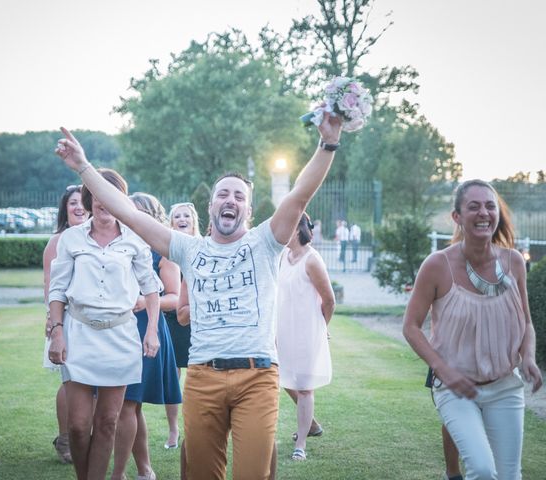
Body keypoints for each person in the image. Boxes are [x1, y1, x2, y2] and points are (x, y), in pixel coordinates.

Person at [55, 110, 342, 479]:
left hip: (257, 376)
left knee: (253, 472)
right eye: (223, 193)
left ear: (249, 211)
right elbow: (127, 212)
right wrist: (84, 168)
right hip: (203, 377)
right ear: (210, 207)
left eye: (239, 196)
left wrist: (328, 143)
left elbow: (300, 194)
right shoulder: (189, 249)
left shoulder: (265, 242)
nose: (230, 200)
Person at [402, 179, 542, 479]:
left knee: (508, 476)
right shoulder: (437, 265)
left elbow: (527, 322)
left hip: (505, 386)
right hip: (456, 389)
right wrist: (444, 370)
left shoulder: (514, 261)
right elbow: (411, 327)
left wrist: (528, 357)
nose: (484, 213)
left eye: (490, 206)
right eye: (474, 206)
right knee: (480, 468)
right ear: (457, 217)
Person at [47, 168, 162, 480]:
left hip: (121, 337)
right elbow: (57, 290)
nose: (103, 202)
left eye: (109, 195)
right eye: (97, 194)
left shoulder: (135, 239)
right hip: (79, 334)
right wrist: (57, 332)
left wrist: (151, 330)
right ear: (90, 197)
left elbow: (151, 288)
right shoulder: (71, 238)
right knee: (78, 425)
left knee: (109, 420)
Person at [111, 192, 182, 480]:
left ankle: (118, 474)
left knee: (127, 402)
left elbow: (175, 297)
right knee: (129, 405)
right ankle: (145, 469)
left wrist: (143, 301)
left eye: (141, 212)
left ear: (153, 217)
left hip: (146, 326)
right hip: (115, 328)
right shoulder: (117, 244)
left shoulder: (163, 250)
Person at [276, 212, 335, 461]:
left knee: (304, 389)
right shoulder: (283, 256)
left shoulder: (312, 260)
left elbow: (329, 300)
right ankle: (311, 424)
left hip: (307, 329)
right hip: (283, 328)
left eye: (286, 225)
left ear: (298, 229)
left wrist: (321, 326)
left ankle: (301, 444)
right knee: (284, 378)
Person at [42, 184, 89, 464]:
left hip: (93, 321)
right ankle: (65, 438)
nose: (79, 207)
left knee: (91, 380)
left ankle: (85, 433)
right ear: (65, 208)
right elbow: (50, 285)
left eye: (82, 202)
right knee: (70, 380)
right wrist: (53, 320)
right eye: (73, 203)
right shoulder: (57, 240)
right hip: (66, 318)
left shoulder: (95, 236)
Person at [164, 202, 198, 447]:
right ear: (171, 222)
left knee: (198, 377)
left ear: (194, 220)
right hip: (173, 320)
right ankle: (173, 430)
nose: (182, 219)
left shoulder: (205, 246)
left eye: (187, 215)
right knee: (172, 377)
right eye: (177, 216)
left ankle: (195, 428)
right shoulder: (169, 250)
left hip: (199, 320)